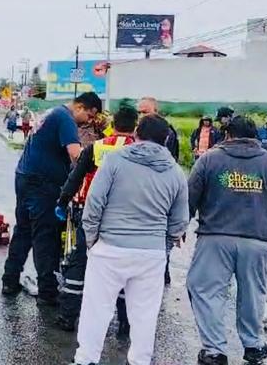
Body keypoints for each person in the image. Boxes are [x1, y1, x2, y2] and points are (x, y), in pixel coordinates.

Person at [71, 114, 189, 365]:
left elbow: (94, 205)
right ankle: (139, 361)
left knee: (96, 310)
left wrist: (93, 241)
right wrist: (162, 247)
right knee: (145, 314)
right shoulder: (176, 172)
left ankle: (86, 360)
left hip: (109, 249)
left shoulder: (115, 161)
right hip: (151, 255)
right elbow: (179, 222)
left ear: (136, 134)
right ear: (166, 140)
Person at [186, 116, 267, 365]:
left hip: (215, 237)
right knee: (252, 292)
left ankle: (214, 351)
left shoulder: (209, 159)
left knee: (206, 290)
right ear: (255, 136)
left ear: (227, 135)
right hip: (257, 240)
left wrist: (179, 226)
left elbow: (190, 196)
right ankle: (254, 345)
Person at [2, 92, 102, 305]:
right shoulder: (65, 118)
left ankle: (9, 280)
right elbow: (76, 154)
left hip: (25, 177)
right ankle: (47, 292)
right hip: (42, 183)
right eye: (90, 116)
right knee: (45, 236)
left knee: (24, 230)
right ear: (81, 107)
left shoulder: (52, 112)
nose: (90, 122)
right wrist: (101, 160)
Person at [54, 105, 138, 333]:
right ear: (135, 126)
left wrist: (62, 202)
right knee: (123, 269)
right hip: (125, 219)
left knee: (79, 263)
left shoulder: (97, 147)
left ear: (113, 124)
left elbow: (75, 177)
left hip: (89, 214)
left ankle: (67, 317)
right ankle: (125, 324)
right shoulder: (139, 150)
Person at [136, 96, 179, 284]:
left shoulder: (166, 133)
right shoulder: (139, 132)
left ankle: (161, 272)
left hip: (159, 191)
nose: (141, 116)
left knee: (160, 232)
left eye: (145, 112)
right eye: (139, 112)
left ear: (155, 111)